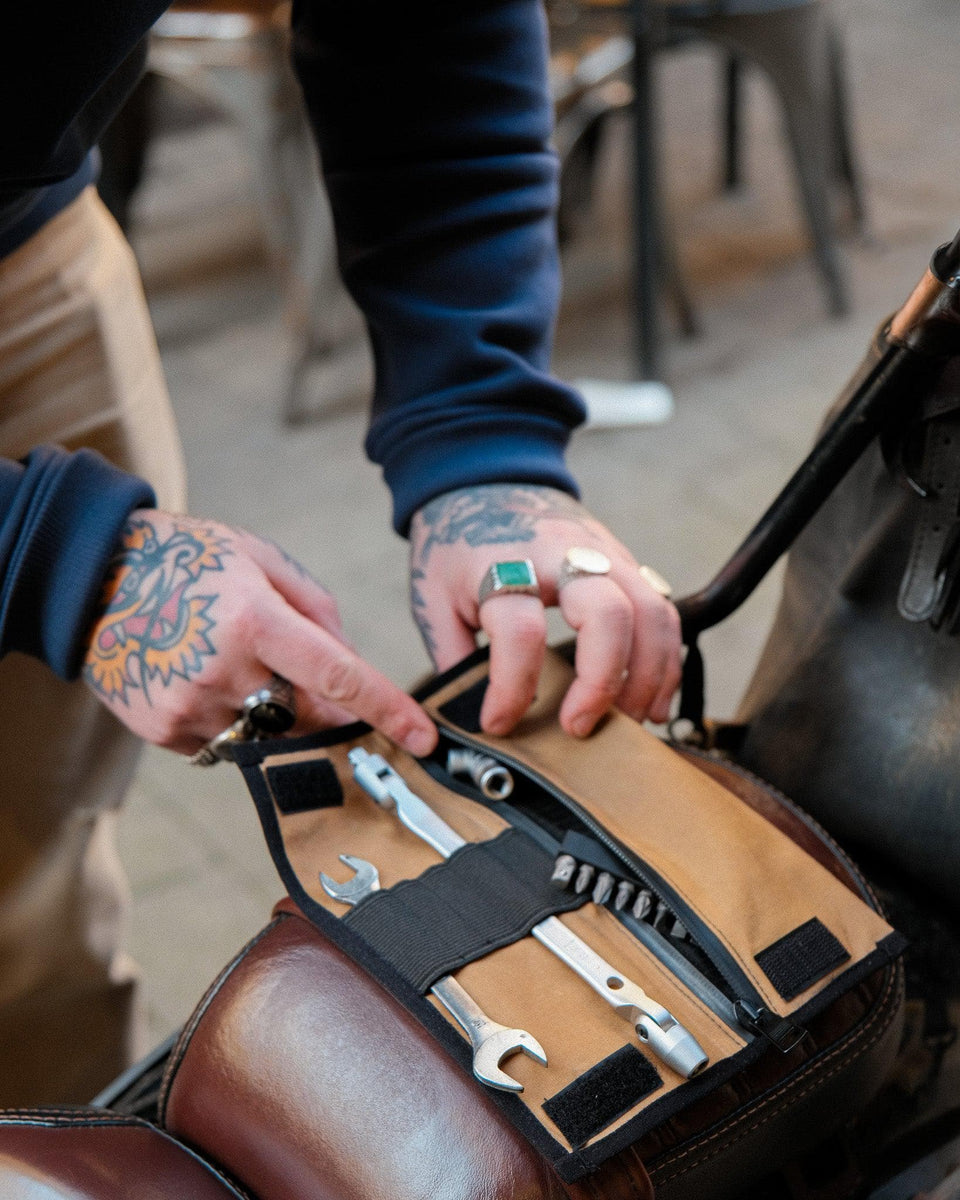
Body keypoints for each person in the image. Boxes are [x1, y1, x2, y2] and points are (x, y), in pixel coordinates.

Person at [0, 0, 681, 1104]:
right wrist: (51, 562)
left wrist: (480, 443)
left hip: (22, 250)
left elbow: (422, 29)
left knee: (32, 920)